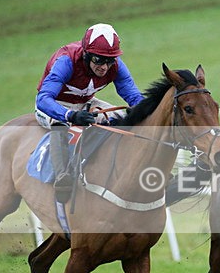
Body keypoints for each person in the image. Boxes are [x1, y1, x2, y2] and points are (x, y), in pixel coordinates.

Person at [35, 23, 144, 203]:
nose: (104, 67)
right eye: (99, 60)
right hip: (53, 105)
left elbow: (133, 96)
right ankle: (62, 177)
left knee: (125, 119)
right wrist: (69, 116)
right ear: (86, 54)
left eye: (109, 60)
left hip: (86, 103)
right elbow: (44, 99)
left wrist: (144, 112)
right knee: (60, 125)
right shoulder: (66, 60)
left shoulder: (115, 65)